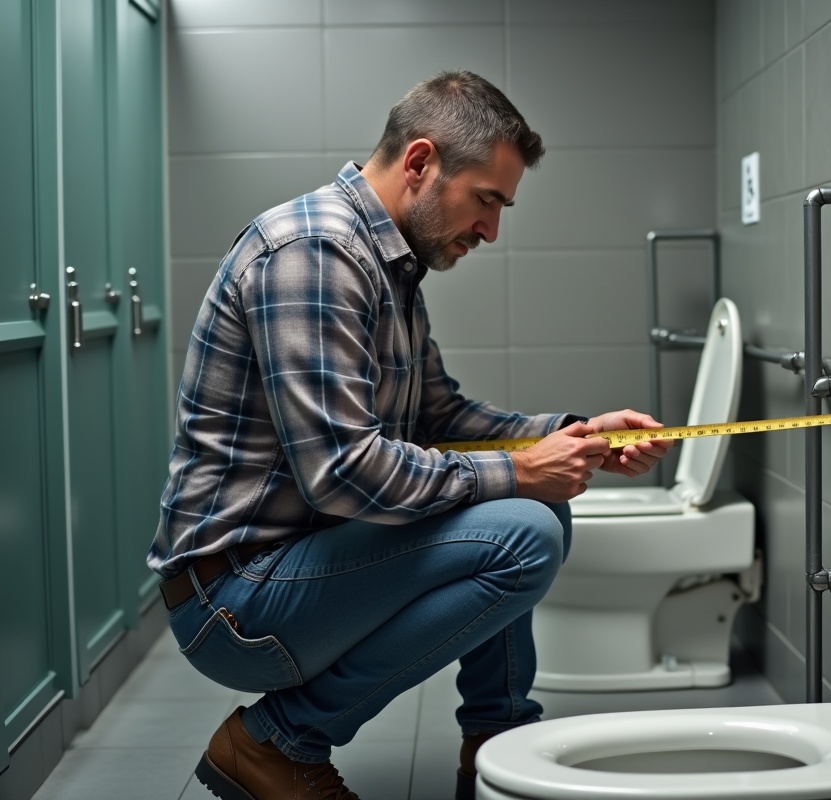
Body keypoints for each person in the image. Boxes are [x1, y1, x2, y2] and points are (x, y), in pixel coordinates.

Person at [149, 70, 672, 800]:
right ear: (420, 162)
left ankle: (498, 745)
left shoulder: (388, 265)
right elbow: (343, 472)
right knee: (524, 528)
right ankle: (276, 743)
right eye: (486, 200)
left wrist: (574, 437)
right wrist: (524, 473)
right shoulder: (314, 254)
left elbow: (440, 419)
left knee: (537, 508)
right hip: (237, 601)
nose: (491, 229)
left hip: (306, 560)